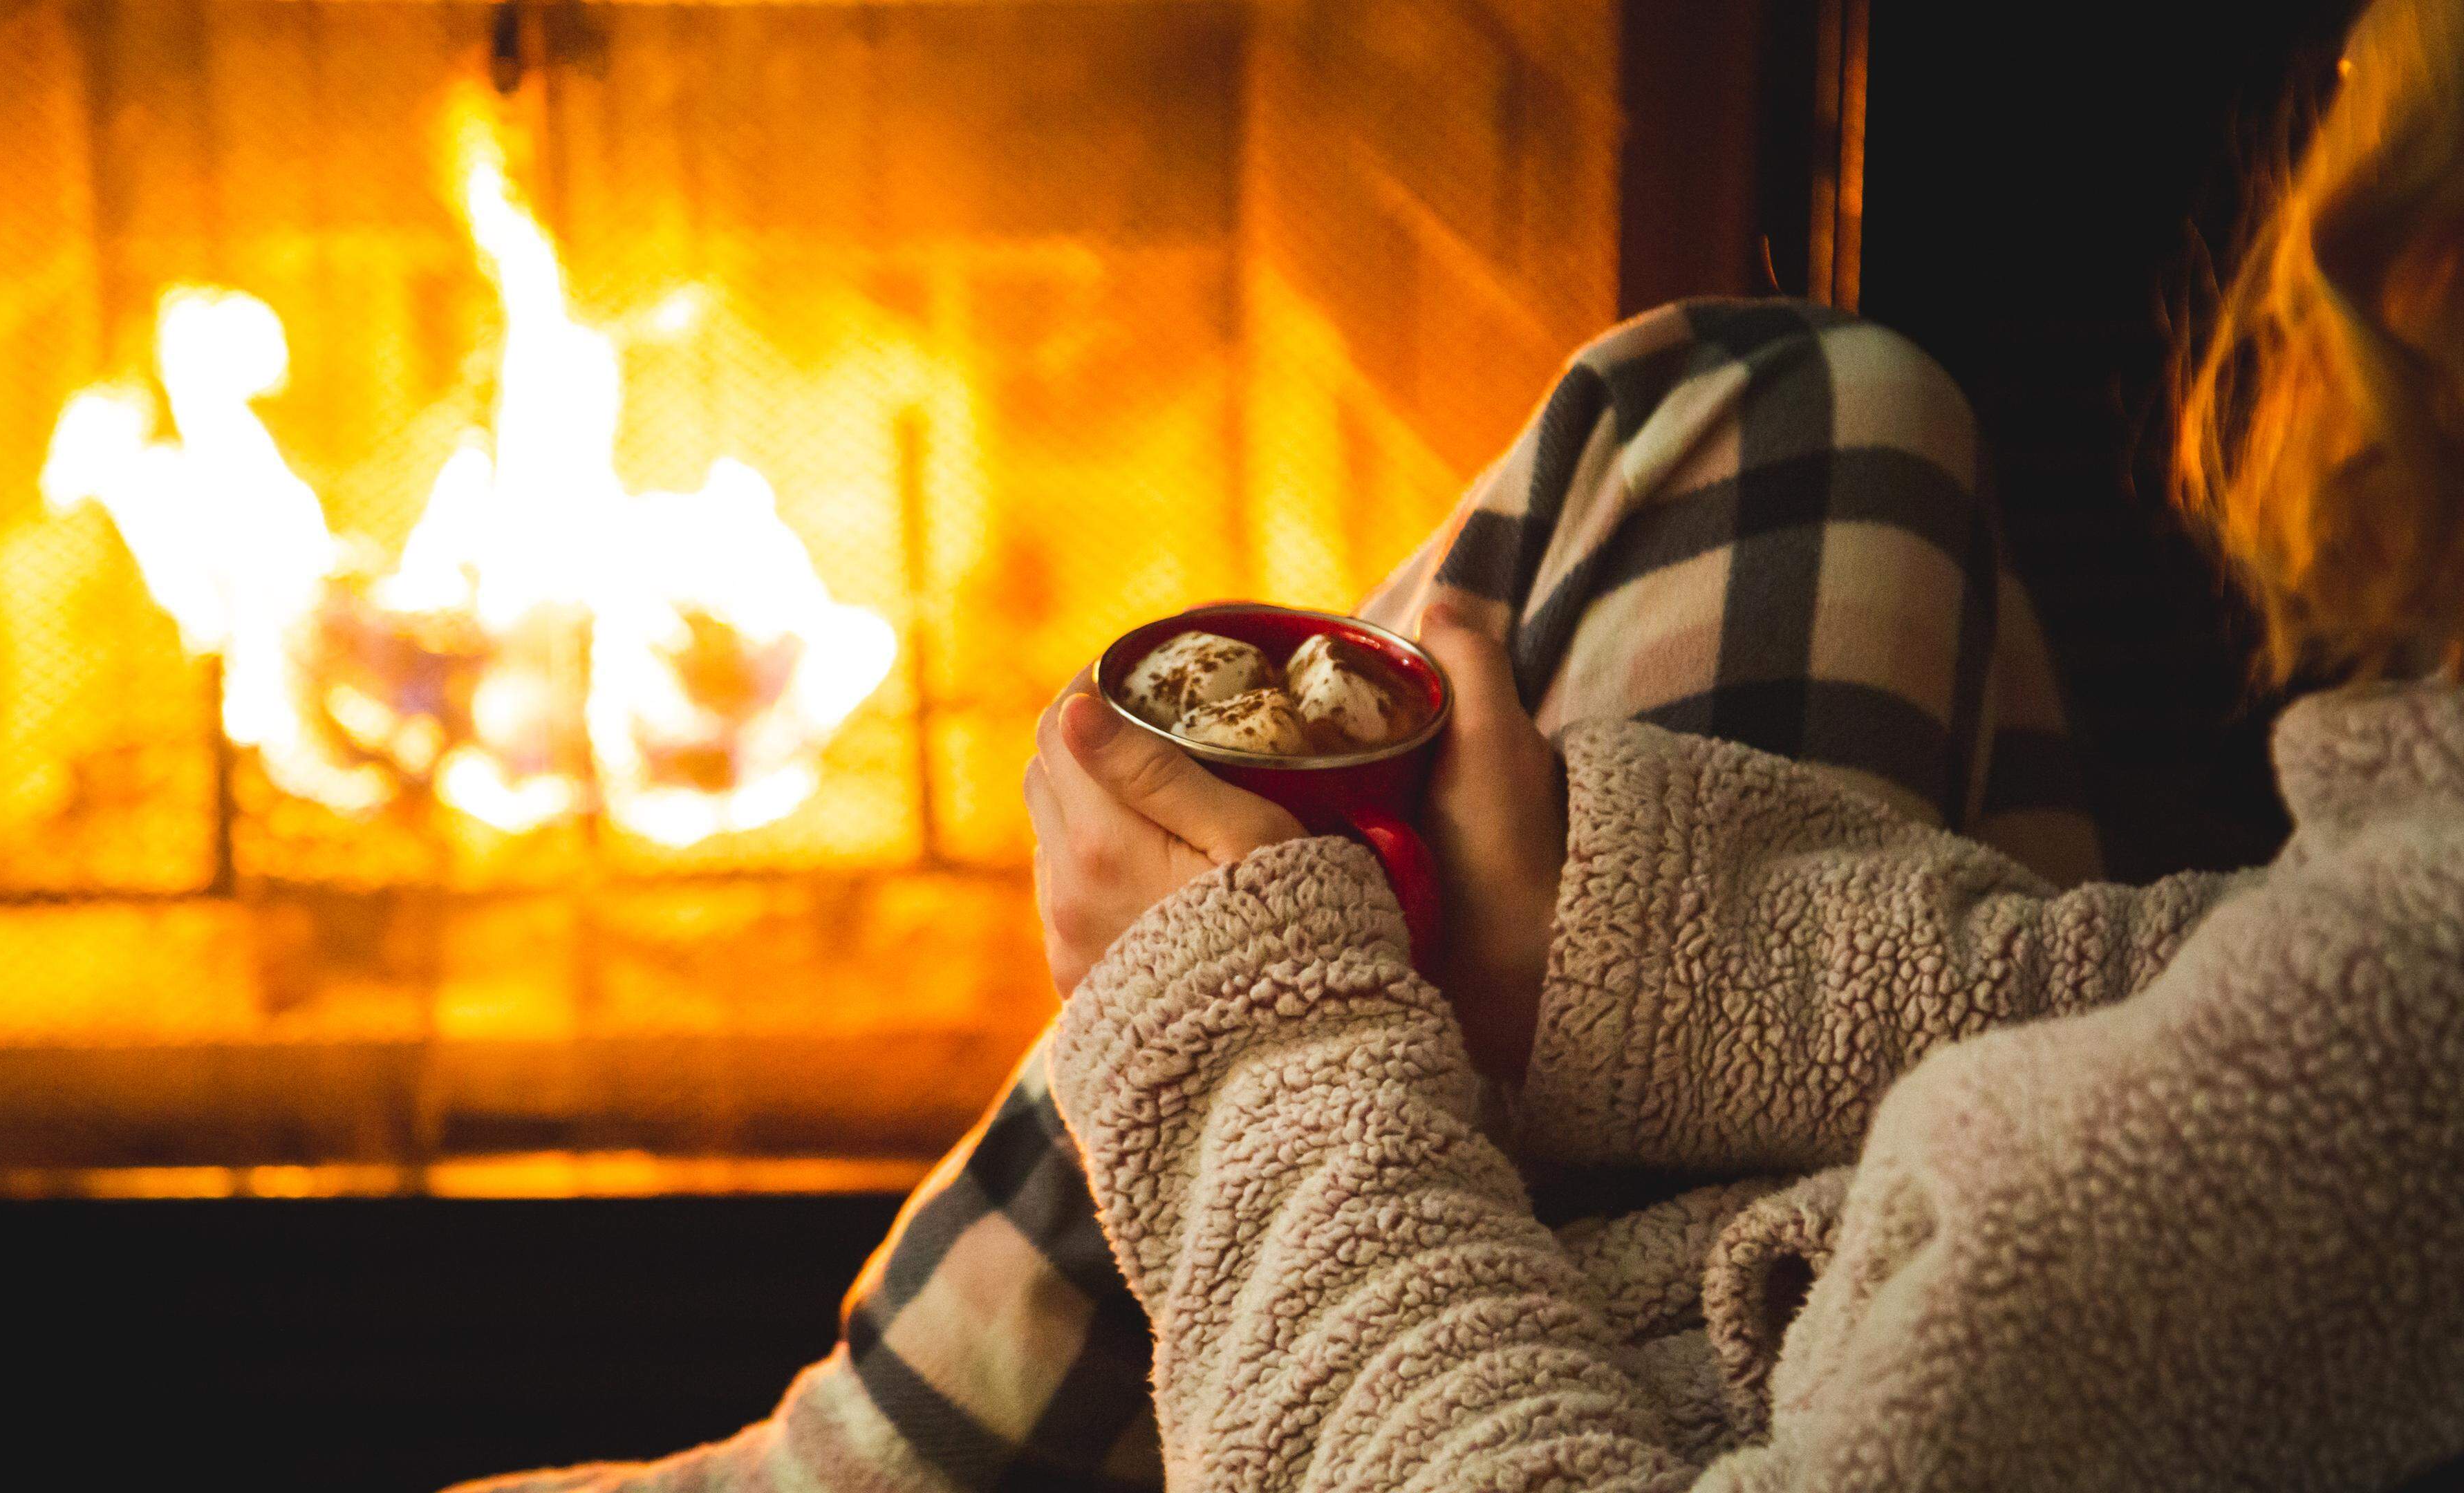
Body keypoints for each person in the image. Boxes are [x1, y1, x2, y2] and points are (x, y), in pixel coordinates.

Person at [453, 1, 2462, 1487]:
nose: (2334, 152)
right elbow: (2265, 999)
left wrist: (1239, 1027)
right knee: (1773, 394)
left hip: (1625, 1396)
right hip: (1798, 1282)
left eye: (2396, 80)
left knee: (1297, 948)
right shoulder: (2398, 986)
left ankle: (847, 1468)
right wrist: (1604, 940)